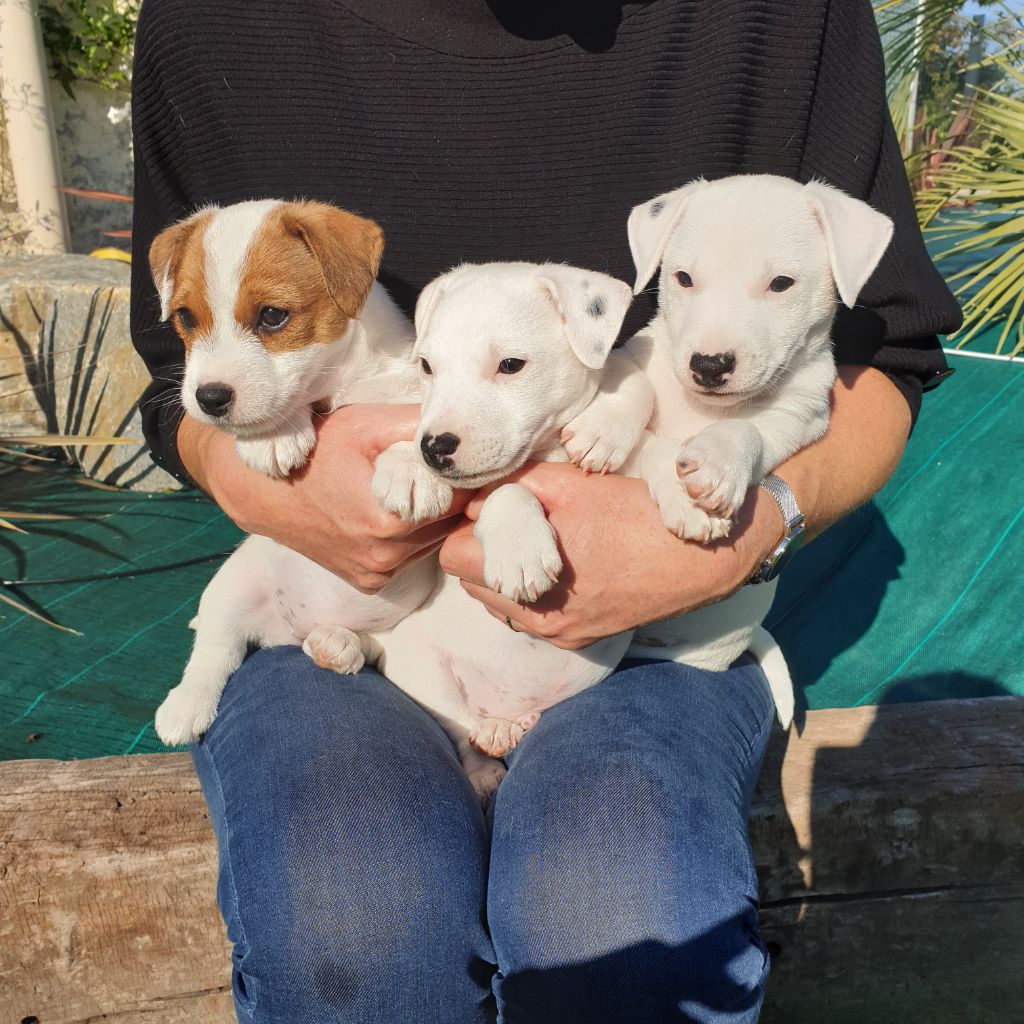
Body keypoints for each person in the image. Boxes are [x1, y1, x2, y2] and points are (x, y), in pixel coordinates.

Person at [130, 1, 962, 1020]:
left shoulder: (779, 19)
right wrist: (262, 480)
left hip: (658, 628)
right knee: (350, 924)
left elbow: (892, 355)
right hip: (356, 599)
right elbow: (176, 377)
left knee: (624, 917)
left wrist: (748, 527)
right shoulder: (210, 27)